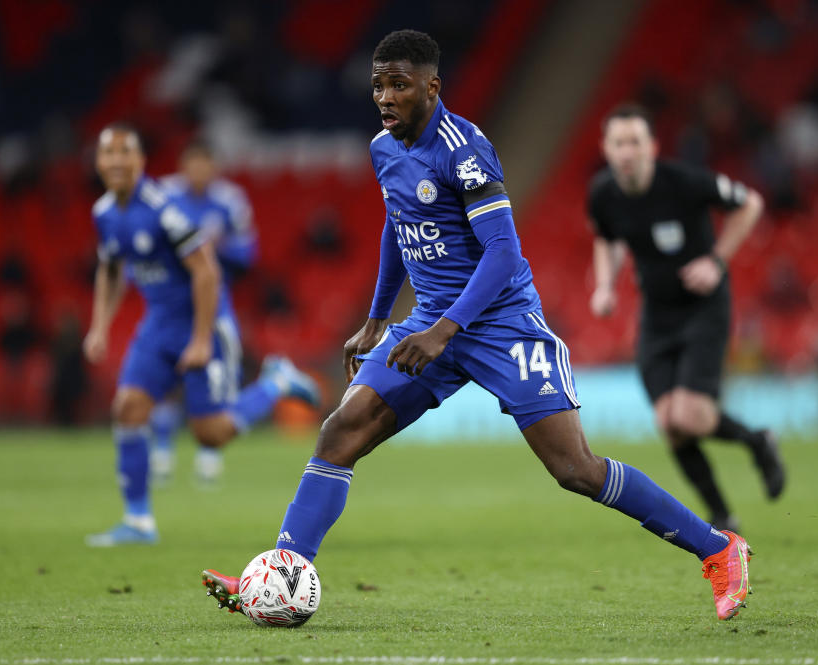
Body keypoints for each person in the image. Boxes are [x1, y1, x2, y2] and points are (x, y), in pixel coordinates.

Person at [200, 30, 752, 621]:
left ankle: (719, 549)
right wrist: (378, 317)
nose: (385, 98)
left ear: (432, 87)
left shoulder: (464, 150)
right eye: (378, 85)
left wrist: (446, 331)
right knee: (340, 431)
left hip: (501, 324)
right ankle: (282, 574)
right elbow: (398, 224)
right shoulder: (385, 147)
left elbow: (503, 253)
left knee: (574, 470)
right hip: (429, 322)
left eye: (399, 86)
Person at [83, 124, 315, 546]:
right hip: (158, 324)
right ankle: (138, 522)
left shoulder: (164, 209)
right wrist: (99, 326)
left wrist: (202, 338)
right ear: (98, 162)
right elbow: (112, 268)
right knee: (128, 408)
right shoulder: (104, 213)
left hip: (203, 323)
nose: (116, 161)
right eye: (107, 153)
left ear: (140, 161)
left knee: (211, 433)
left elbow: (207, 270)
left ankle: (277, 382)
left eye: (124, 153)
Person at [587, 104, 786, 533]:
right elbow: (606, 239)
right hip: (656, 316)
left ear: (652, 147)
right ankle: (722, 513)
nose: (627, 151)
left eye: (635, 142)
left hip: (703, 310)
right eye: (618, 143)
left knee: (690, 417)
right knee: (669, 424)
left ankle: (758, 442)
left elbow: (750, 203)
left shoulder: (684, 182)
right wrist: (604, 286)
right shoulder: (603, 194)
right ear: (606, 148)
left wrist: (716, 259)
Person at [151, 141, 319, 484]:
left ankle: (210, 457)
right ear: (184, 165)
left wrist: (217, 245)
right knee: (162, 380)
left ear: (213, 167)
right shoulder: (163, 196)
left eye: (204, 164)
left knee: (213, 393)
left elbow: (248, 253)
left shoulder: (229, 201)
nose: (198, 171)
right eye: (192, 164)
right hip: (169, 307)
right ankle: (162, 455)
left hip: (212, 309)